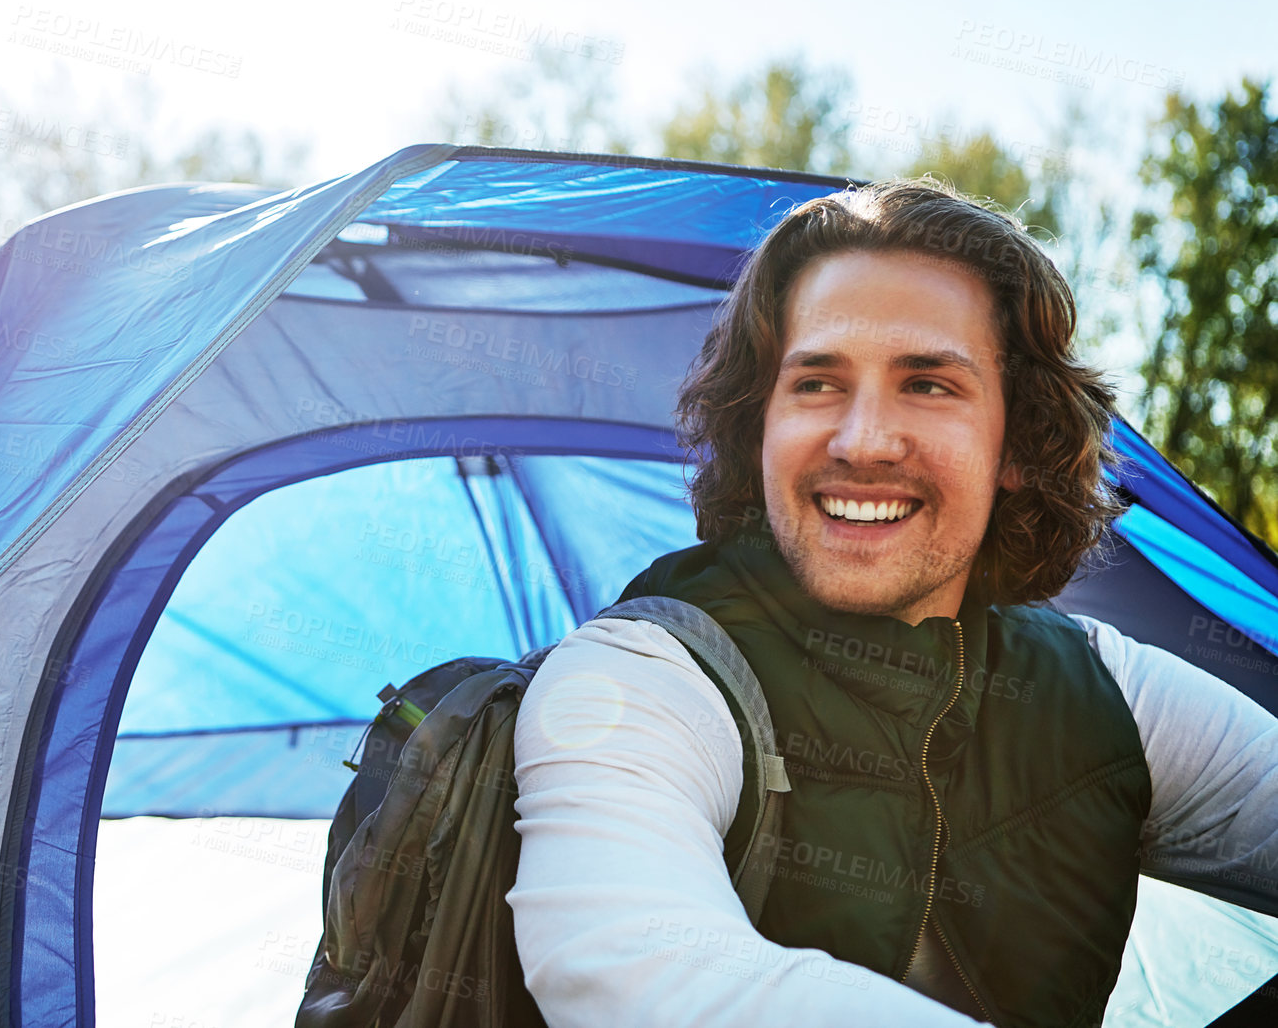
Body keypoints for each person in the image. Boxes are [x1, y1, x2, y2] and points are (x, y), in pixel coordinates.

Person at [507, 180, 1278, 1026]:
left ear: (1016, 444)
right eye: (816, 384)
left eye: (928, 384)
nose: (864, 439)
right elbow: (639, 969)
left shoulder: (1107, 689)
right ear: (756, 427)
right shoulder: (639, 675)